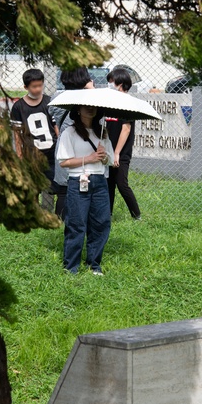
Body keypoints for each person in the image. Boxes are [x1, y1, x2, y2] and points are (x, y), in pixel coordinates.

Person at [56, 105, 113, 275]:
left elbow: (110, 160)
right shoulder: (69, 133)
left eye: (93, 108)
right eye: (85, 107)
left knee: (101, 223)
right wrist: (89, 158)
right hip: (78, 180)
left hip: (100, 182)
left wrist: (103, 157)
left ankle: (94, 265)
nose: (90, 110)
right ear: (78, 110)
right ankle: (71, 266)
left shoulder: (102, 132)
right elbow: (64, 162)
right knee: (76, 224)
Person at [10, 69, 59, 210]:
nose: (38, 89)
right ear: (26, 87)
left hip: (51, 153)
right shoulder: (18, 107)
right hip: (31, 155)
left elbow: (56, 126)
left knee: (51, 187)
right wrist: (19, 154)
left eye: (40, 85)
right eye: (34, 86)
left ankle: (48, 212)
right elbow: (17, 134)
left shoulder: (49, 102)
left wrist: (61, 146)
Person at [49, 68, 94, 218]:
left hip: (63, 146)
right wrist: (91, 89)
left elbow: (52, 114)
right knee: (83, 184)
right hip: (83, 146)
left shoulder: (57, 96)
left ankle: (60, 221)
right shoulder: (87, 98)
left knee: (63, 189)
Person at [105, 67, 142, 220]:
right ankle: (107, 215)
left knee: (121, 184)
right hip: (108, 149)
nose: (109, 85)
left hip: (120, 152)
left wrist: (117, 153)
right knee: (108, 185)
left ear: (120, 83)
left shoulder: (127, 103)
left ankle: (136, 215)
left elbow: (126, 129)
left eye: (111, 82)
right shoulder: (111, 102)